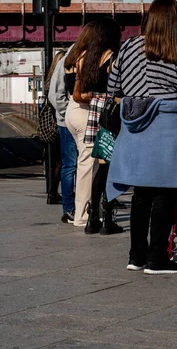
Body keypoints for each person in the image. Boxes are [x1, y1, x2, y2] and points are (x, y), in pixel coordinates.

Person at [107, 0, 177, 275]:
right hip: (167, 133)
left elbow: (114, 85)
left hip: (134, 129)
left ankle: (136, 255)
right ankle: (157, 258)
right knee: (165, 193)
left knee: (141, 194)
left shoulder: (128, 48)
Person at [64, 19, 122, 228]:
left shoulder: (75, 56)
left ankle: (87, 211)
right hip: (90, 112)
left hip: (73, 110)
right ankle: (85, 214)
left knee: (85, 162)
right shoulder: (107, 57)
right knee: (91, 164)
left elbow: (72, 88)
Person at [49, 47, 78, 224]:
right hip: (66, 122)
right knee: (71, 163)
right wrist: (68, 114)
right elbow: (55, 95)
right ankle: (69, 208)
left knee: (78, 164)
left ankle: (78, 207)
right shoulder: (66, 61)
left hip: (74, 119)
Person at [44, 51, 67, 205]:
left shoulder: (48, 81)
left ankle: (53, 191)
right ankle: (53, 192)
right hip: (59, 123)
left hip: (53, 124)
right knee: (63, 161)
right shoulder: (57, 81)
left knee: (59, 161)